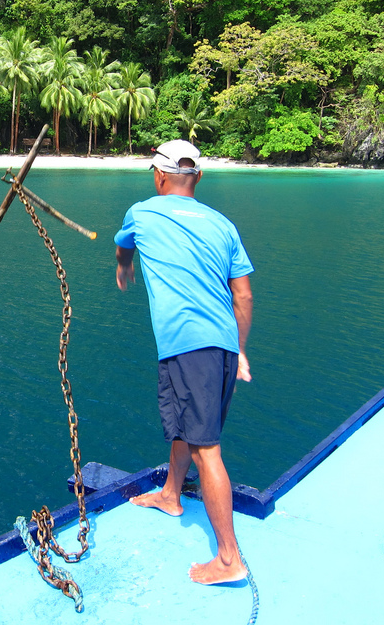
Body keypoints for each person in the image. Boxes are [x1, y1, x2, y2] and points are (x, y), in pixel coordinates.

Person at [114, 139, 254, 585]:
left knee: (206, 449)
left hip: (187, 347)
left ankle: (229, 559)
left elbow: (124, 246)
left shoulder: (142, 212)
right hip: (225, 347)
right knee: (188, 427)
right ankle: (171, 495)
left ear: (158, 176)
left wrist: (124, 270)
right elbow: (244, 295)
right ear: (199, 178)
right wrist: (241, 350)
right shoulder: (224, 224)